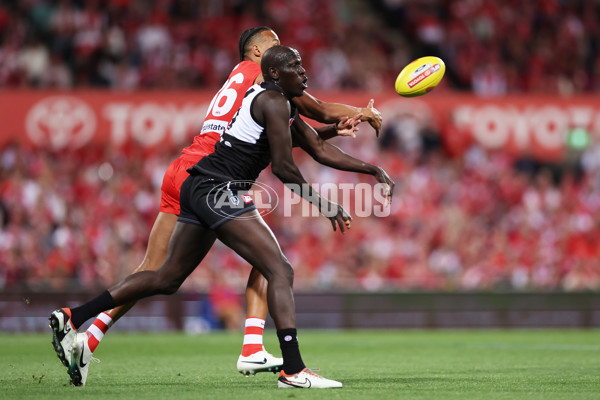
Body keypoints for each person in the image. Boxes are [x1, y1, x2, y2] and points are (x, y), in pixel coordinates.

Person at [49, 26, 386, 385]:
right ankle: (278, 359)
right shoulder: (268, 81)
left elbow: (300, 137)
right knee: (275, 265)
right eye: (276, 47)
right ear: (260, 55)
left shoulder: (241, 79)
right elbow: (314, 113)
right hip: (216, 174)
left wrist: (343, 138)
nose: (286, 53)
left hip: (187, 170)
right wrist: (361, 112)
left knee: (161, 273)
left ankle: (81, 328)